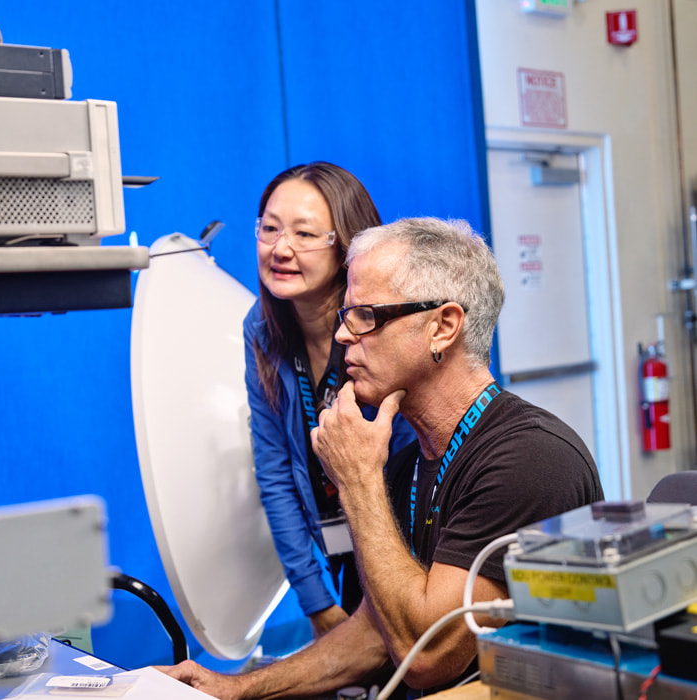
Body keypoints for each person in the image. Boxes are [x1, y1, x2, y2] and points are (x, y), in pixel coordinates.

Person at [162, 217, 604, 698]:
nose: (344, 337)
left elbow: (426, 656)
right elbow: (376, 632)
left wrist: (357, 480)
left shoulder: (530, 461)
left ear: (444, 327)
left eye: (367, 316)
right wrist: (236, 689)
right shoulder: (406, 463)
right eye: (345, 316)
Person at [244, 162, 417, 636]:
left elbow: (416, 467)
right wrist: (317, 604)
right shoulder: (261, 330)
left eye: (304, 234)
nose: (281, 248)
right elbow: (275, 471)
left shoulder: (390, 330)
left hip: (411, 553)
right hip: (338, 551)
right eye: (270, 228)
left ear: (346, 244)